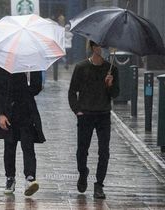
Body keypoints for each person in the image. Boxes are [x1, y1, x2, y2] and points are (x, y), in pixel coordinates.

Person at [68, 40, 119, 199]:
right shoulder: (81, 67)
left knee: (104, 151)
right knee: (82, 150)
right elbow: (72, 92)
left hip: (103, 114)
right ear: (92, 47)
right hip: (86, 115)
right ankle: (83, 172)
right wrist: (77, 111)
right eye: (99, 46)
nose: (102, 49)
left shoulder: (111, 69)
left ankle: (99, 184)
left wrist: (110, 84)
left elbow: (115, 94)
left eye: (104, 46)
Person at [0, 66, 46, 196]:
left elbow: (37, 87)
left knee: (28, 146)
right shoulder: (4, 63)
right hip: (9, 111)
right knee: (9, 146)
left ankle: (30, 177)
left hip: (27, 111)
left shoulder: (32, 63)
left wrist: (28, 80)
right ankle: (10, 178)